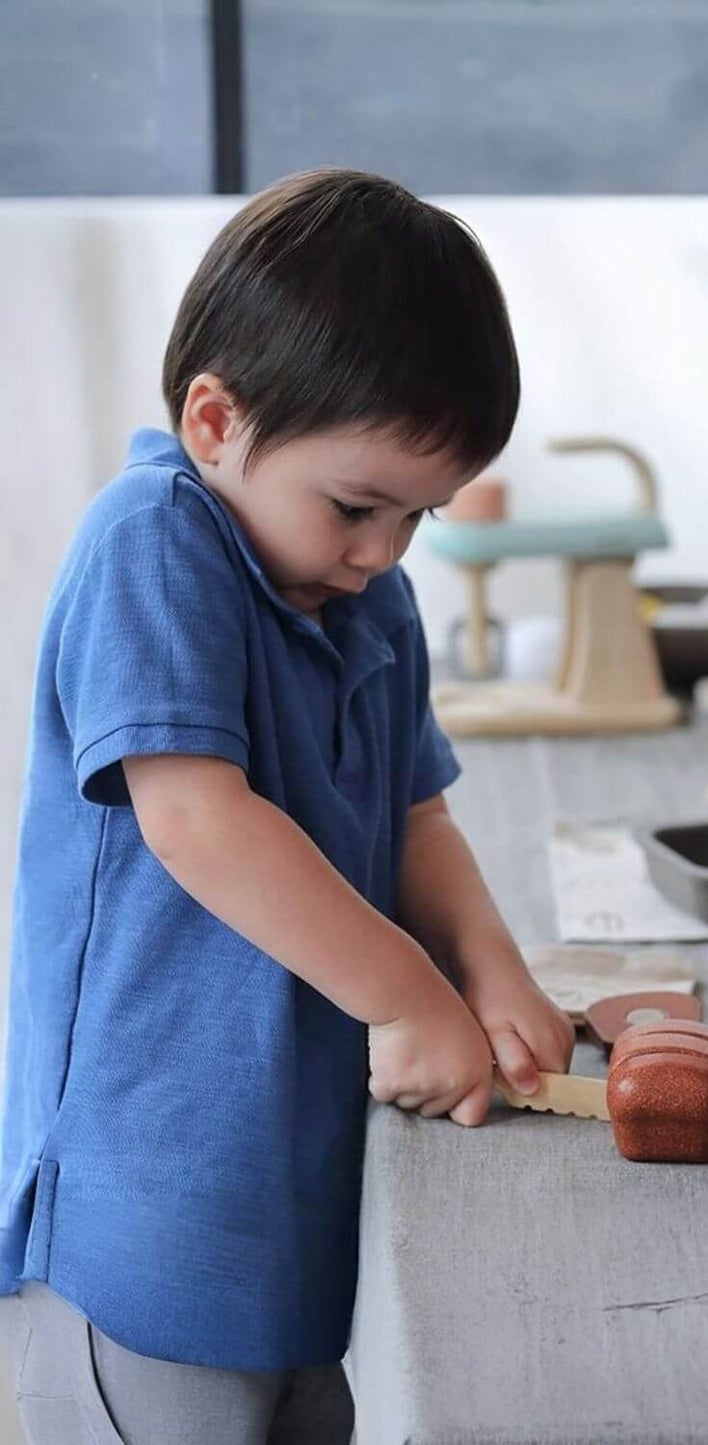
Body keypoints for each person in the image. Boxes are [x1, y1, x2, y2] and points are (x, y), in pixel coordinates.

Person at [0, 168, 574, 1443]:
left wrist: (489, 968)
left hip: (295, 1189)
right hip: (150, 1207)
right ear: (215, 422)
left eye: (418, 515)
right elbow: (196, 816)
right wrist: (408, 992)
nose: (384, 550)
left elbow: (417, 813)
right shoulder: (151, 539)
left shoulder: (372, 596)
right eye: (356, 505)